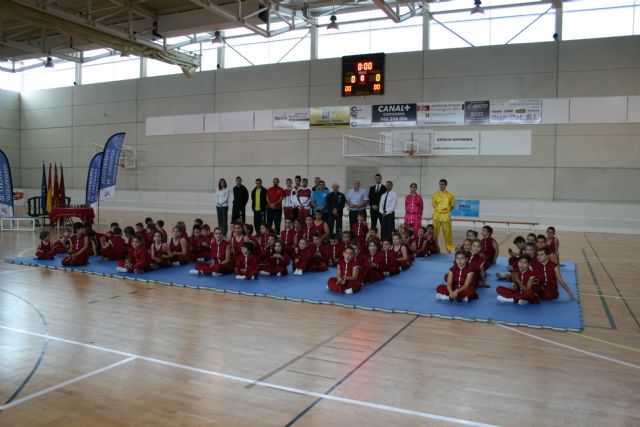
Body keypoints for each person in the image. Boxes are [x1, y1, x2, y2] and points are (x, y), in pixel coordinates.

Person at [431, 179, 456, 253]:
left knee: (448, 234)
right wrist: (439, 211)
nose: (441, 186)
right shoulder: (435, 194)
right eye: (440, 184)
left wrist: (446, 211)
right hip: (436, 216)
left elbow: (452, 205)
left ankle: (450, 249)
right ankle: (434, 248)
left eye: (443, 184)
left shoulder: (450, 195)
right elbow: (434, 205)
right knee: (434, 233)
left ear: (445, 185)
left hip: (445, 216)